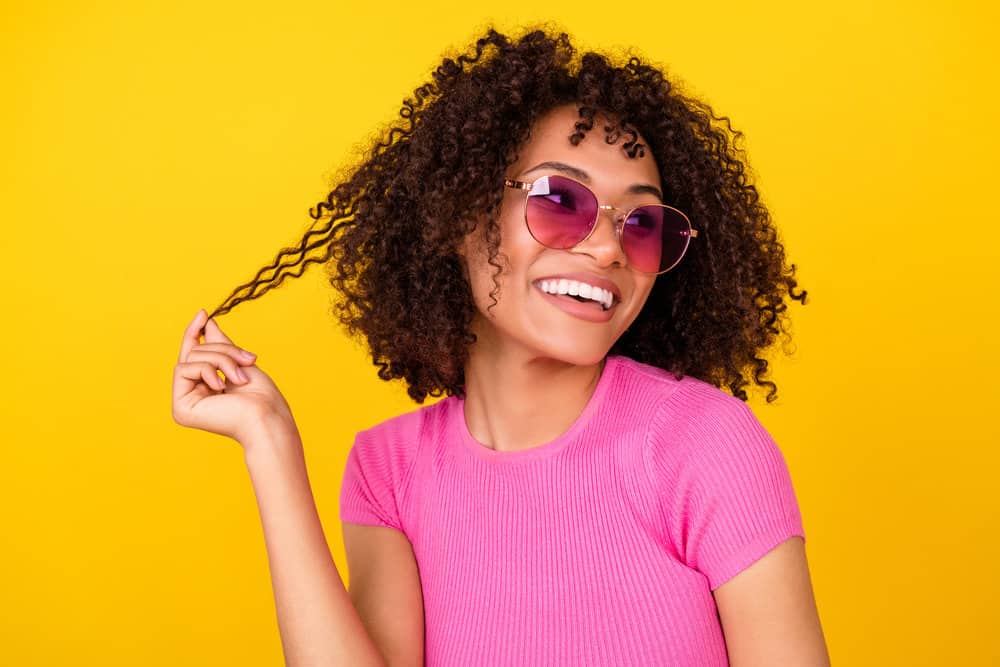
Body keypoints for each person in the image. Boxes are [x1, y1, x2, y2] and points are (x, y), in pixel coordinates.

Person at [171, 26, 830, 666]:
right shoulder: (388, 472)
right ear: (463, 214)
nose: (606, 247)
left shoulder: (706, 446)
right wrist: (269, 440)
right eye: (560, 200)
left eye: (642, 222)